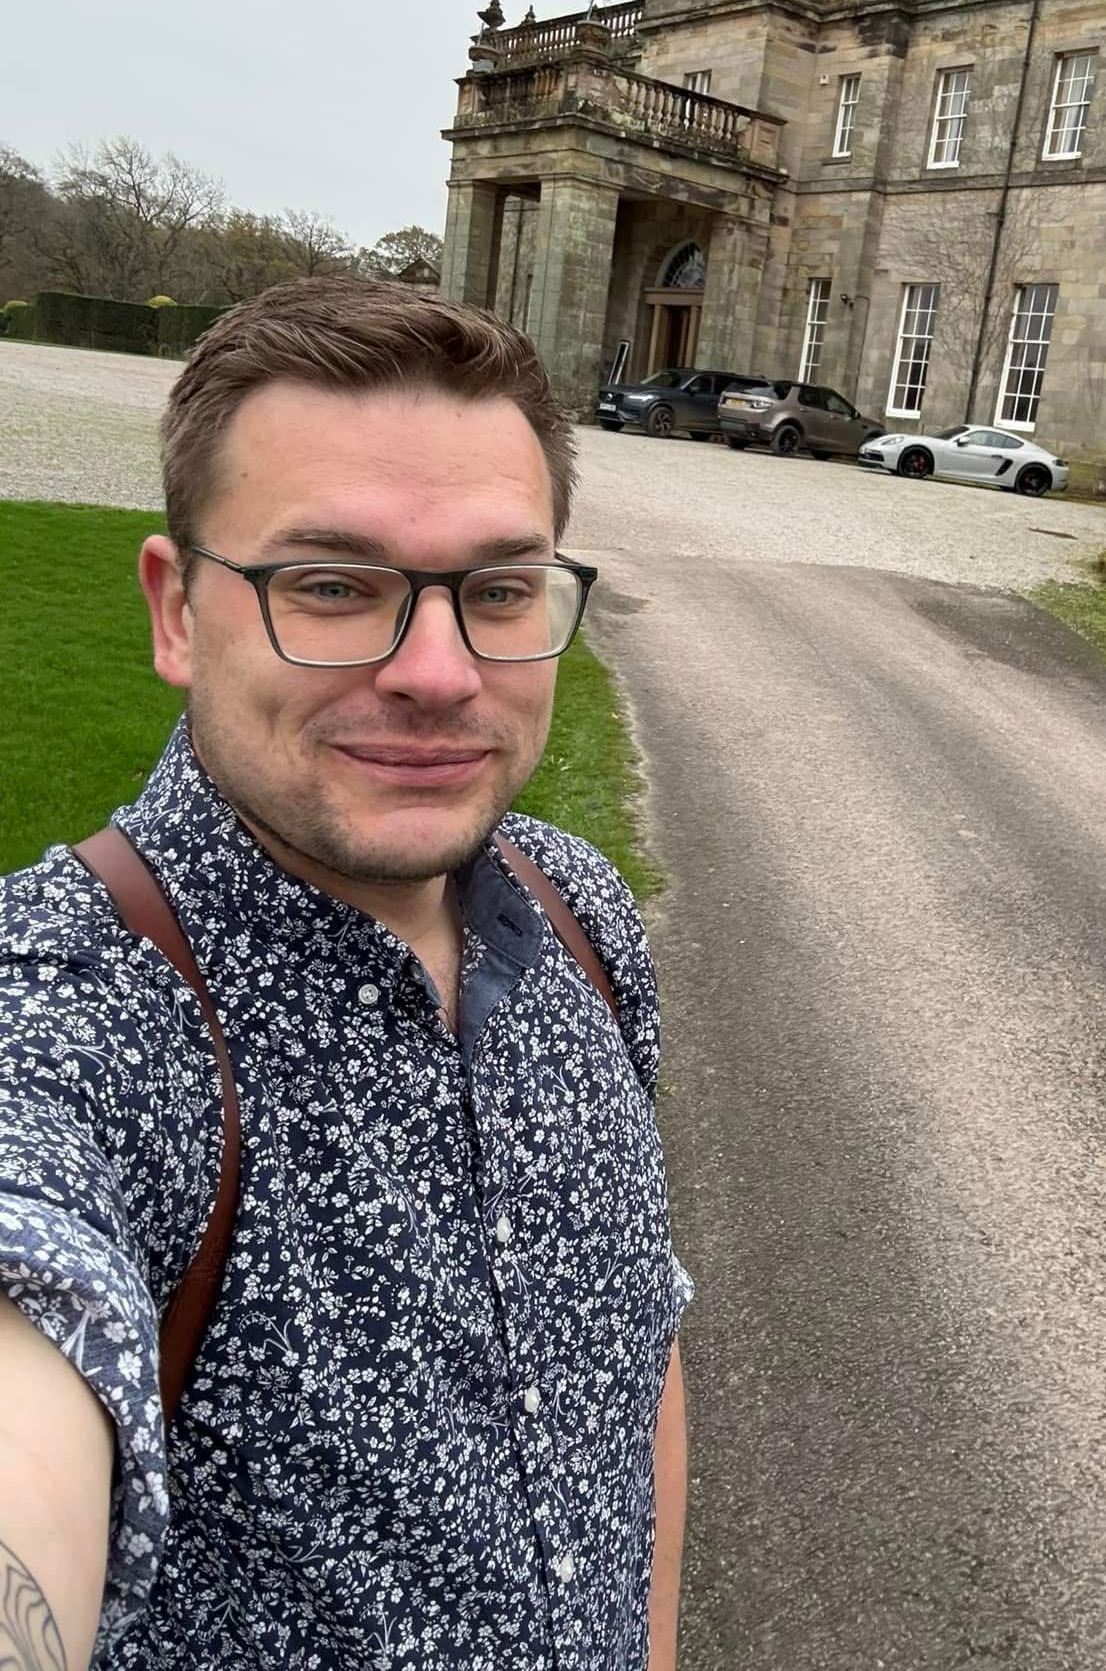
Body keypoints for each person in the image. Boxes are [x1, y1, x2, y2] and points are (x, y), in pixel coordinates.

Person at [0, 277, 691, 1669]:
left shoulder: (582, 913)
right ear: (177, 611)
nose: (438, 672)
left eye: (497, 591)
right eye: (330, 585)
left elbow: (639, 1365)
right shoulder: (69, 1017)